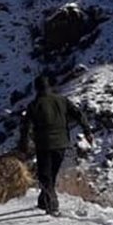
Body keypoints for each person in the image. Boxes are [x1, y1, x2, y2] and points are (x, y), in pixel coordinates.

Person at [18, 75, 94, 217]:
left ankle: (52, 205)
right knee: (51, 174)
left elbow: (25, 127)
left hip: (44, 145)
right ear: (49, 86)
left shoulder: (34, 105)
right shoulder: (62, 100)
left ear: (36, 88)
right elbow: (79, 114)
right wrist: (87, 132)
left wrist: (23, 147)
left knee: (45, 176)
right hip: (62, 144)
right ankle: (43, 201)